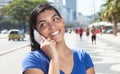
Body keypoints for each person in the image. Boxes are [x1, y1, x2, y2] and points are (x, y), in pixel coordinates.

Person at [22, 3, 95, 74]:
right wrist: (54, 59)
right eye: (43, 24)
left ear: (62, 21)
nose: (52, 27)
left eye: (55, 19)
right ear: (37, 32)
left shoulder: (83, 57)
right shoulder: (32, 60)